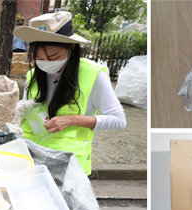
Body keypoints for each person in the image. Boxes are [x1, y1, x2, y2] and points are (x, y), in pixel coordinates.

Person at [14, 12, 127, 176]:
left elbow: (119, 120)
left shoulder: (92, 74)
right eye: (39, 57)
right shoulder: (33, 75)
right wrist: (17, 119)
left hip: (68, 169)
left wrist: (71, 120)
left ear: (71, 48)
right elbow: (25, 114)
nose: (46, 63)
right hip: (33, 161)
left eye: (53, 56)